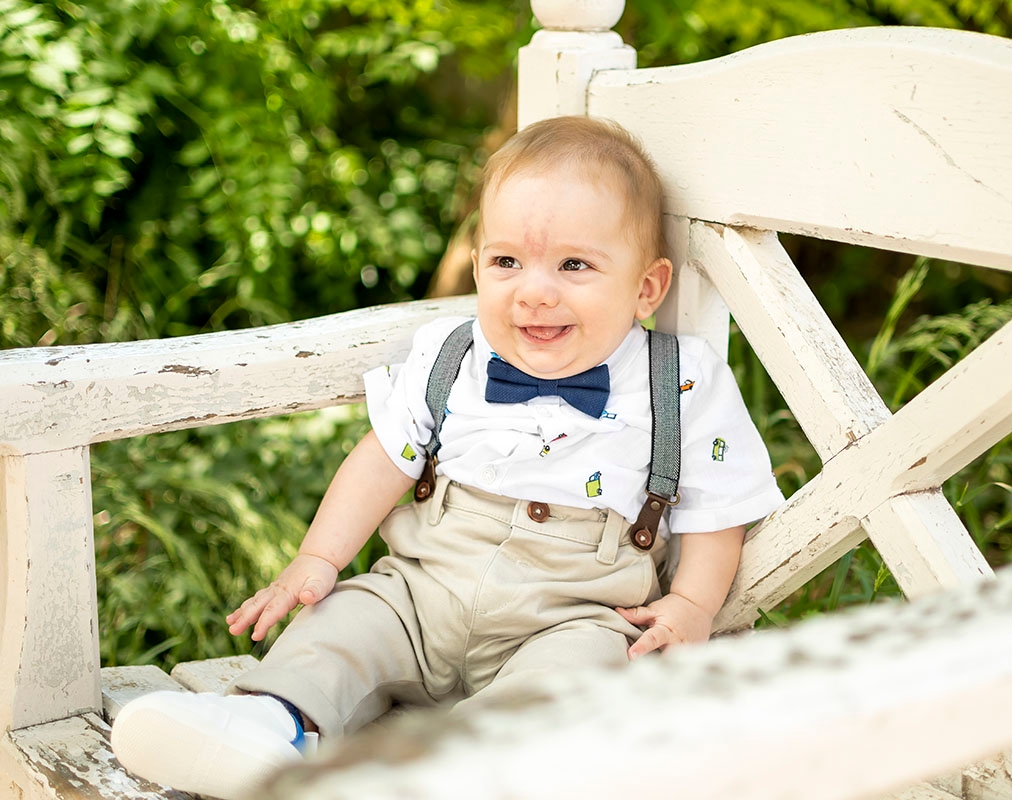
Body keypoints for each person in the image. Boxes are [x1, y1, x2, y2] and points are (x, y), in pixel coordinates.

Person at [111, 116, 784, 799]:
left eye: (573, 265)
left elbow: (715, 510)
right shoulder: (452, 353)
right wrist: (320, 558)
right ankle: (269, 725)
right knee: (343, 624)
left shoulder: (680, 380)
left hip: (572, 614)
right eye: (506, 262)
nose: (534, 290)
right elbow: (383, 460)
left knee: (575, 681)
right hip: (424, 588)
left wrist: (693, 603)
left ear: (646, 288)